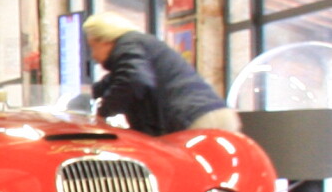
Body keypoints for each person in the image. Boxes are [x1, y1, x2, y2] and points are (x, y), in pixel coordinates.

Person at [83, 12, 239, 134]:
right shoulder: (138, 46)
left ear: (105, 40)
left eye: (93, 46)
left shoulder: (128, 45)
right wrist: (88, 94)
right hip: (210, 115)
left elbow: (134, 80)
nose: (93, 55)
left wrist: (102, 114)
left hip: (195, 119)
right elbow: (116, 80)